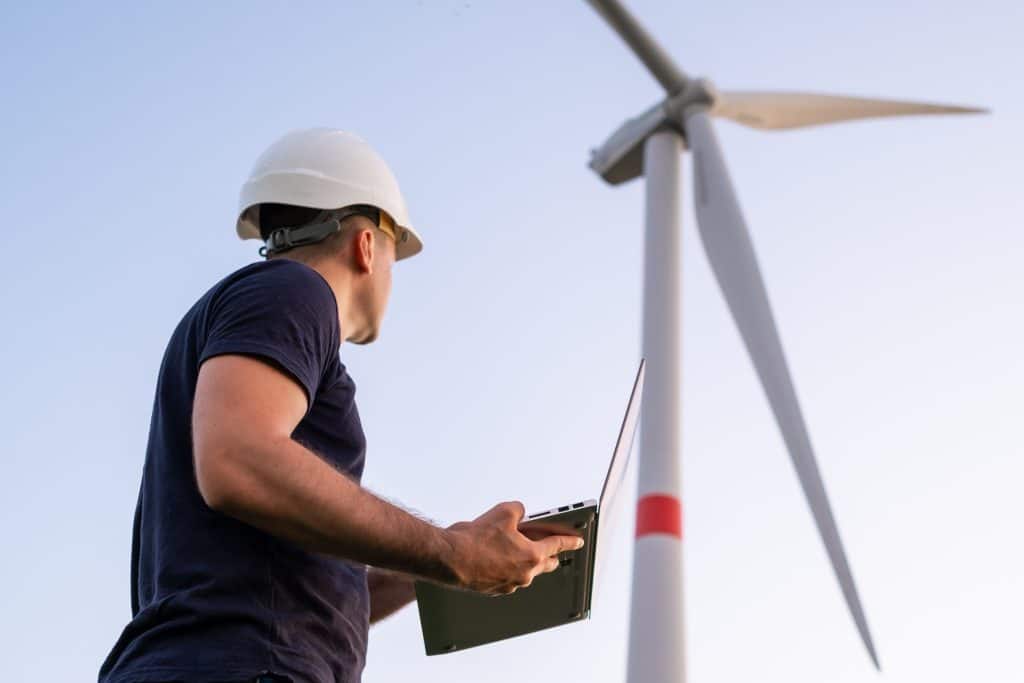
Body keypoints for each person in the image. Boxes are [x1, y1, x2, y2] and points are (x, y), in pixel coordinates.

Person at [98, 128, 584, 683]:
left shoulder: (259, 309)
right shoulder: (292, 290)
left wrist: (437, 565)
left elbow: (300, 586)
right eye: (396, 254)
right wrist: (452, 551)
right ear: (367, 244)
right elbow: (237, 460)